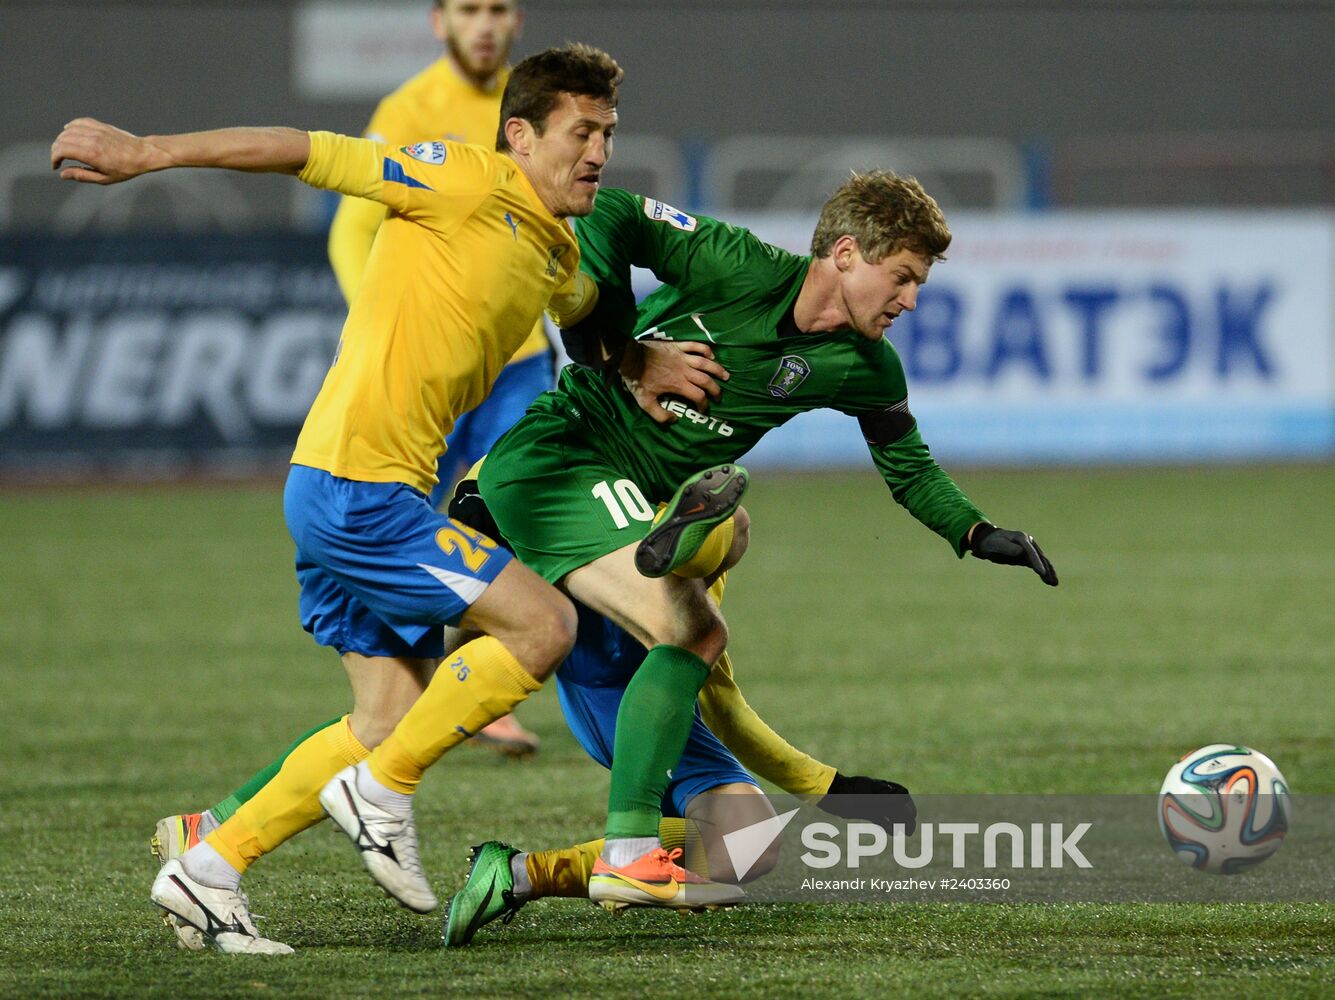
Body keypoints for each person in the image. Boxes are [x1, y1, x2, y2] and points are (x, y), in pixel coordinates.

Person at [50, 44, 661, 955]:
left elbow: (588, 322)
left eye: (608, 133)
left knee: (381, 717)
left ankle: (206, 869)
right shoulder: (454, 175)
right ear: (521, 134)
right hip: (356, 487)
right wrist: (149, 155)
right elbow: (302, 148)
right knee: (542, 626)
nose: (600, 152)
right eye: (582, 131)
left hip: (356, 486)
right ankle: (384, 793)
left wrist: (649, 361)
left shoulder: (559, 250)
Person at [468, 174, 1060, 912]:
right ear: (845, 254)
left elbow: (907, 466)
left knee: (746, 846)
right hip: (569, 464)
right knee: (696, 606)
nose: (910, 300)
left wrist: (973, 531)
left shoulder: (864, 365)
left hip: (634, 529)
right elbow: (612, 210)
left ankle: (520, 873)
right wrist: (620, 348)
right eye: (902, 277)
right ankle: (625, 850)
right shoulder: (731, 262)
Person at [438, 477, 918, 945]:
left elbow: (723, 703)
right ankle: (540, 872)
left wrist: (832, 789)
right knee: (744, 839)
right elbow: (525, 457)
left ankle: (525, 871)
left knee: (748, 844)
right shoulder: (593, 514)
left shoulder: (694, 580)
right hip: (611, 702)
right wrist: (478, 496)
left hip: (651, 703)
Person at [331, 0, 542, 756]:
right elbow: (353, 227)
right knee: (407, 518)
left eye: (497, 9)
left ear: (516, 19)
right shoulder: (411, 108)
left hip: (517, 364)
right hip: (430, 368)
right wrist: (394, 331)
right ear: (438, 21)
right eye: (468, 9)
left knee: (510, 510)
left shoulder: (535, 103)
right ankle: (405, 690)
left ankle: (477, 684)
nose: (483, 24)